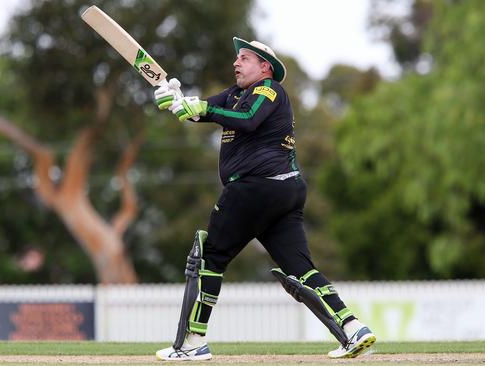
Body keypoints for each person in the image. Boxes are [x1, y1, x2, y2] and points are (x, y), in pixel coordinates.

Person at [152, 37, 375, 361]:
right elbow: (203, 111)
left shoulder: (269, 90)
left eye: (244, 58)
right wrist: (176, 100)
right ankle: (353, 327)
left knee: (211, 256)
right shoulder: (233, 95)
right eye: (237, 58)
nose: (236, 63)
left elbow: (248, 120)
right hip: (283, 193)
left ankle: (193, 342)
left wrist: (202, 108)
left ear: (264, 66)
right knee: (300, 267)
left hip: (256, 188)